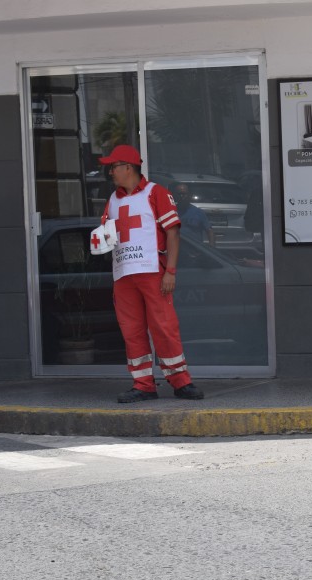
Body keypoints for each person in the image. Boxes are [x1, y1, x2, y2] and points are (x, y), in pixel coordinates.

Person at [98, 145, 204, 403]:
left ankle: (181, 381)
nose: (110, 171)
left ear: (128, 167)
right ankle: (143, 384)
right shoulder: (112, 200)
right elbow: (106, 233)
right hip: (123, 275)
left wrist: (171, 271)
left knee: (164, 326)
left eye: (114, 166)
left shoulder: (156, 192)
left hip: (152, 271)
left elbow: (173, 233)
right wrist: (99, 240)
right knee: (131, 330)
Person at [172, 181, 215, 246]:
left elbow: (209, 230)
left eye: (184, 194)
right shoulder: (170, 212)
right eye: (179, 194)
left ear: (190, 195)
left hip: (195, 249)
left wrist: (212, 247)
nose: (182, 196)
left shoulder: (198, 212)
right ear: (175, 195)